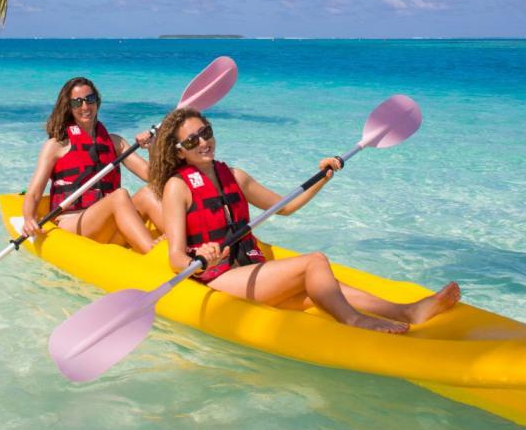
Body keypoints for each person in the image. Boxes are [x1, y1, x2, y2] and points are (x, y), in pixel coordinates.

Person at [148, 107, 462, 334]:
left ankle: (408, 311)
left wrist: (323, 176)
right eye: (192, 141)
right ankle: (353, 320)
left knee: (322, 289)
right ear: (180, 152)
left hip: (246, 269)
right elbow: (176, 258)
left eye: (205, 133)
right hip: (215, 277)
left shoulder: (234, 176)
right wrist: (201, 258)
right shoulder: (178, 187)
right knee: (314, 262)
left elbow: (285, 207)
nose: (203, 142)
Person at [21, 77, 162, 252]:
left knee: (149, 192)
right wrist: (28, 218)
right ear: (68, 106)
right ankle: (152, 252)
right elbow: (34, 193)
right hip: (74, 224)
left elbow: (153, 177)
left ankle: (185, 245)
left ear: (97, 101)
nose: (85, 106)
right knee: (119, 196)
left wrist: (152, 147)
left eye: (90, 99)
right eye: (77, 102)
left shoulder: (115, 142)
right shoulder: (56, 146)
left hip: (109, 224)